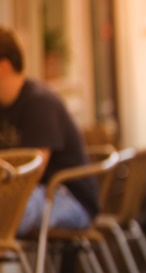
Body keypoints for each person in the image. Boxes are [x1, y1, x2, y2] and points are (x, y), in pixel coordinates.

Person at [0, 27, 98, 236]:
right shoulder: (3, 108)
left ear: (4, 67)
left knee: (11, 209)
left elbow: (31, 174)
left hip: (69, 197)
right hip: (36, 196)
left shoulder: (39, 102)